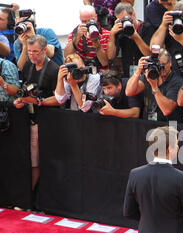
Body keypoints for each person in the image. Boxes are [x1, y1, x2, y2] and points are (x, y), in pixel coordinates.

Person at [13, 35, 60, 192]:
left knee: (39, 160)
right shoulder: (28, 65)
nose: (32, 55)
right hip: (27, 120)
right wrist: (21, 101)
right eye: (30, 52)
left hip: (47, 122)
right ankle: (26, 194)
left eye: (36, 52)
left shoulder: (54, 69)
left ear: (44, 50)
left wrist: (39, 101)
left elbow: (59, 99)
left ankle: (32, 195)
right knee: (27, 159)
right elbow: (24, 91)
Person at [125, 47, 183, 122]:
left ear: (170, 63)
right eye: (158, 65)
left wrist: (154, 87)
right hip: (149, 123)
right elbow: (129, 92)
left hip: (169, 126)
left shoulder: (177, 80)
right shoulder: (151, 75)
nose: (161, 68)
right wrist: (138, 71)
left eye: (163, 65)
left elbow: (167, 110)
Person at [150, 0, 183, 77]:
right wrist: (163, 25)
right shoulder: (171, 31)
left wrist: (182, 40)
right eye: (182, 19)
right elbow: (154, 48)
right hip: (175, 78)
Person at [107, 2, 152, 78]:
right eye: (121, 21)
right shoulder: (120, 31)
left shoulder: (147, 28)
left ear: (133, 15)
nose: (124, 23)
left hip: (146, 74)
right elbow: (110, 56)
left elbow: (149, 54)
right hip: (128, 74)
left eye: (126, 19)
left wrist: (136, 37)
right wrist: (112, 35)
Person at [64, 5, 110, 69]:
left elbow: (104, 63)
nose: (88, 24)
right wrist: (77, 37)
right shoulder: (76, 32)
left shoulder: (106, 34)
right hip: (82, 70)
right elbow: (67, 55)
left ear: (96, 17)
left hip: (100, 70)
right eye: (84, 21)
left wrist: (96, 42)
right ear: (80, 19)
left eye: (91, 20)